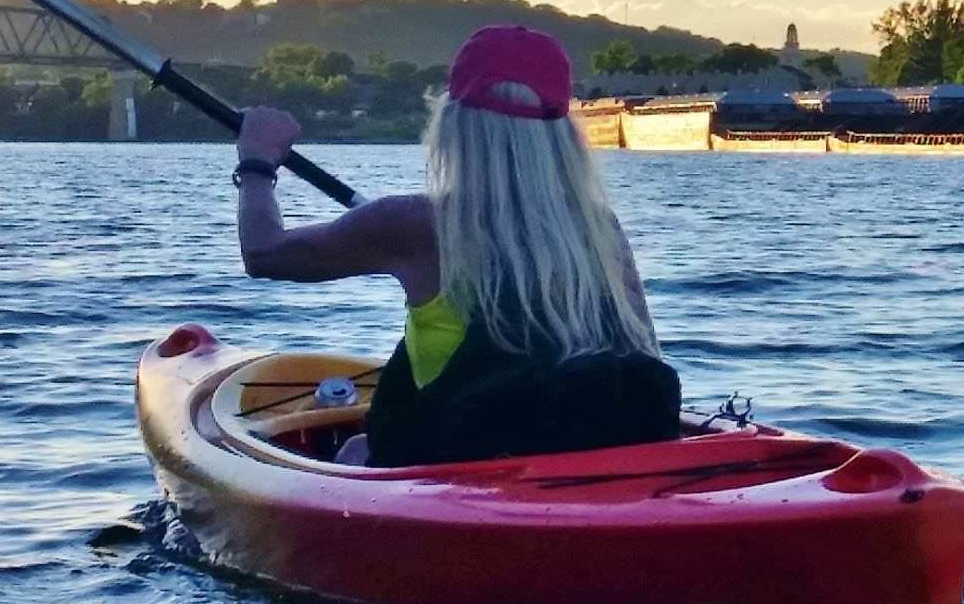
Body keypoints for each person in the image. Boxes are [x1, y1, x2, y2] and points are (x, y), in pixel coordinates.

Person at [233, 24, 679, 466]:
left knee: (356, 450)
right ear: (563, 138)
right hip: (595, 465)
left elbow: (263, 253)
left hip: (463, 471)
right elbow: (643, 353)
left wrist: (257, 160)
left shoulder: (414, 224)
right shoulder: (600, 229)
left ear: (453, 125)